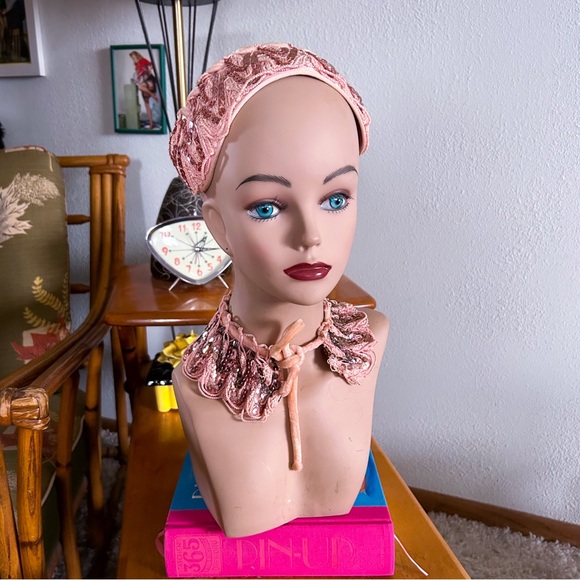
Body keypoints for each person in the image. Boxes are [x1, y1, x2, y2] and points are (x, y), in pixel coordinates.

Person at [169, 43, 389, 537]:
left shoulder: (370, 340)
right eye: (267, 207)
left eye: (336, 199)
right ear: (218, 225)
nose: (311, 236)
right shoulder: (197, 384)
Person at [129, 50, 159, 129]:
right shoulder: (136, 66)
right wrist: (136, 80)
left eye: (134, 58)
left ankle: (153, 95)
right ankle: (151, 124)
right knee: (147, 105)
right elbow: (139, 77)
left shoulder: (143, 60)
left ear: (137, 56)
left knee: (139, 86)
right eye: (132, 58)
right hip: (144, 85)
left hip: (149, 81)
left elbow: (151, 67)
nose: (133, 60)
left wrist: (148, 69)